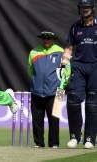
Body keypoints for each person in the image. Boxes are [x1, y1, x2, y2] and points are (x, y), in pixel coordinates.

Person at [61, 0, 97, 149]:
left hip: (95, 66)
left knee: (92, 104)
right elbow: (69, 48)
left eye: (87, 7)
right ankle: (75, 136)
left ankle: (90, 138)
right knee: (73, 100)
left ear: (93, 9)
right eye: (82, 7)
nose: (85, 10)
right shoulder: (75, 27)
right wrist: (63, 64)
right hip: (78, 67)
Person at [28, 31, 64, 148]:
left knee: (54, 119)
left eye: (49, 38)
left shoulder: (61, 51)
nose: (46, 40)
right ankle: (39, 143)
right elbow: (30, 71)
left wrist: (62, 85)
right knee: (37, 119)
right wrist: (36, 83)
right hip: (37, 91)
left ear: (53, 39)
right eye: (44, 38)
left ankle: (54, 144)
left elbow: (67, 70)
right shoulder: (34, 52)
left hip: (58, 91)